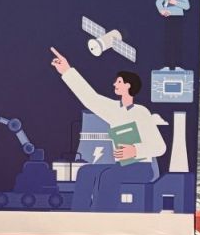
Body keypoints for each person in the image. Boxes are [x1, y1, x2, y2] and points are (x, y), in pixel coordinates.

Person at [50, 48, 165, 210]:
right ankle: (78, 215)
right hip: (121, 166)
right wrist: (67, 71)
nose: (114, 84)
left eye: (119, 82)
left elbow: (160, 147)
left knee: (109, 176)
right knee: (85, 172)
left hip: (142, 168)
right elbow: (90, 98)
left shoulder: (142, 113)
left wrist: (135, 150)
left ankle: (103, 216)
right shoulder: (114, 110)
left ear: (128, 85)